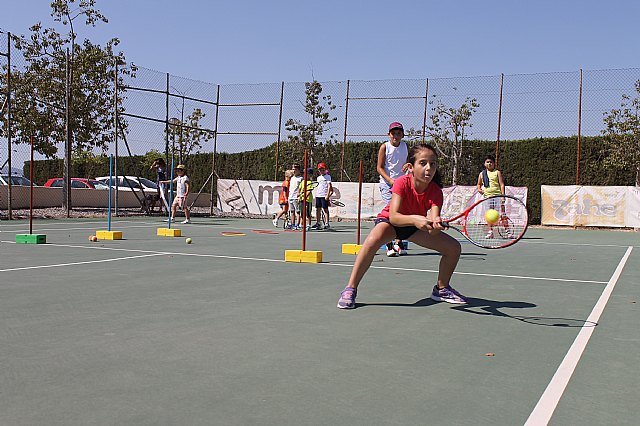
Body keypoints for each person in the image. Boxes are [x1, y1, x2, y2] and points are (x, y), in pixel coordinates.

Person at [337, 143, 465, 309]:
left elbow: (433, 229)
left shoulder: (435, 191)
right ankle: (350, 288)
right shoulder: (402, 183)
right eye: (423, 163)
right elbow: (394, 217)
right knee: (371, 242)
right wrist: (416, 219)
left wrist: (435, 224)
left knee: (453, 248)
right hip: (390, 223)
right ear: (411, 167)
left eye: (432, 164)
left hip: (414, 228)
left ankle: (441, 288)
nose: (429, 168)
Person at [377, 121, 409, 257]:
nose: (396, 136)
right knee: (391, 213)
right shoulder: (384, 147)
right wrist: (390, 180)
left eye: (398, 133)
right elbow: (379, 167)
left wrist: (408, 165)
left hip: (401, 184)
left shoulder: (405, 146)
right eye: (393, 133)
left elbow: (409, 161)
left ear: (402, 135)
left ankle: (398, 243)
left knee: (401, 212)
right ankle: (389, 244)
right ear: (389, 134)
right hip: (387, 184)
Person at [476, 154, 512, 238]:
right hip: (487, 197)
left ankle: (508, 232)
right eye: (487, 162)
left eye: (491, 162)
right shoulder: (482, 174)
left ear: (494, 163)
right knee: (489, 216)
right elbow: (478, 185)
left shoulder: (497, 172)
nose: (489, 164)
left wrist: (503, 196)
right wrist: (479, 190)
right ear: (484, 164)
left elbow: (502, 184)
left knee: (502, 214)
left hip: (498, 196)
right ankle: (490, 232)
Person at [311, 162, 333, 230]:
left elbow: (329, 186)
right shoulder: (318, 178)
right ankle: (318, 222)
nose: (321, 171)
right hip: (318, 195)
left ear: (325, 169)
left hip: (324, 195)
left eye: (323, 169)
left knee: (325, 209)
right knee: (318, 209)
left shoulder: (328, 177)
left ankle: (327, 223)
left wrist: (327, 195)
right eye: (320, 169)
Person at [287, 164, 304, 230]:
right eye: (293, 169)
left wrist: (300, 196)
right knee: (292, 211)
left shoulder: (301, 178)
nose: (294, 171)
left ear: (298, 170)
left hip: (296, 198)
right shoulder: (292, 178)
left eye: (295, 169)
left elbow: (302, 188)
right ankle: (292, 224)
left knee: (298, 212)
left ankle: (298, 224)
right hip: (290, 197)